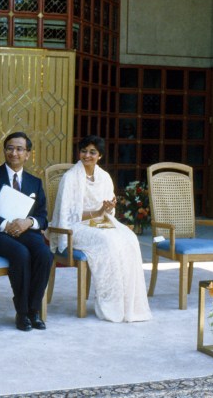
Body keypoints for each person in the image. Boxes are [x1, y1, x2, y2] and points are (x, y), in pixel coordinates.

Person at [48, 135, 151, 323]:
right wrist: (98, 212)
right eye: (83, 151)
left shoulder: (104, 177)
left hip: (99, 223)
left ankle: (129, 304)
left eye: (92, 152)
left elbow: (107, 211)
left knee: (130, 238)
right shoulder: (70, 177)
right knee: (109, 241)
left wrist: (108, 208)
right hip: (75, 228)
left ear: (100, 156)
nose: (87, 155)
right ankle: (111, 303)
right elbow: (68, 215)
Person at [0, 132, 53, 331]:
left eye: (19, 149)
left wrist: (28, 222)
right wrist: (4, 224)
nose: (14, 153)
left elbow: (43, 218)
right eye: (10, 148)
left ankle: (34, 310)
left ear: (28, 154)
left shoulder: (35, 182)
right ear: (4, 151)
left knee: (44, 254)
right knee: (20, 253)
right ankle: (22, 313)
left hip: (24, 233)